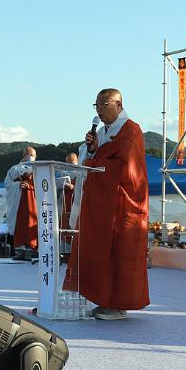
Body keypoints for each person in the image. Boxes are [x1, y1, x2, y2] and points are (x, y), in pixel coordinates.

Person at [63, 88, 150, 320]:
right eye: (97, 105)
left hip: (122, 203)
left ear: (119, 104)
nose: (100, 110)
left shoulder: (131, 130)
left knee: (118, 251)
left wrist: (95, 161)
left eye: (104, 104)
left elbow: (128, 169)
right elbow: (96, 159)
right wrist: (92, 149)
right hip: (103, 201)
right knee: (99, 249)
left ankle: (118, 304)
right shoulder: (102, 132)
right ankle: (103, 300)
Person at [5, 147, 38, 261]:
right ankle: (19, 250)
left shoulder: (39, 169)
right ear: (23, 155)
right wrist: (17, 185)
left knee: (30, 224)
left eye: (32, 155)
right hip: (18, 201)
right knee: (19, 222)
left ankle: (29, 251)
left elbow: (44, 185)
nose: (30, 156)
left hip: (32, 202)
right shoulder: (14, 169)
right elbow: (8, 184)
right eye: (28, 154)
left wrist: (31, 186)